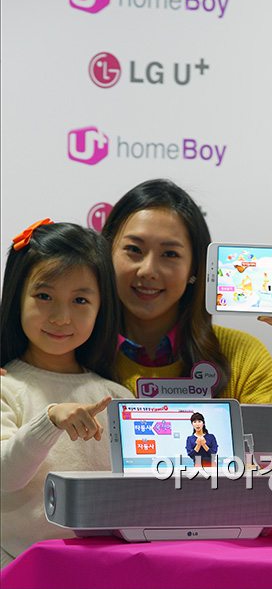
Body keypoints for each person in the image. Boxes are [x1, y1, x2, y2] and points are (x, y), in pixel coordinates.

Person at [102, 179, 272, 404]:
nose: (148, 270)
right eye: (134, 249)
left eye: (170, 254)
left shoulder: (242, 358)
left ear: (195, 267)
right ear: (106, 252)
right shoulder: (80, 351)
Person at [0, 219, 133, 567]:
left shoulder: (116, 396)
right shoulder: (6, 387)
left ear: (101, 307)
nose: (61, 317)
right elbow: (5, 476)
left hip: (107, 567)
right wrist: (50, 420)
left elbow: (141, 492)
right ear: (17, 297)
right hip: (19, 567)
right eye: (44, 296)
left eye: (80, 300)